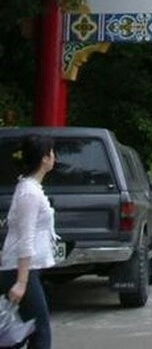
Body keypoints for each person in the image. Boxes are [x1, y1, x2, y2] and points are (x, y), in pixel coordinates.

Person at [0, 135, 58, 349]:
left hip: (22, 268)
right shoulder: (29, 192)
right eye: (51, 152)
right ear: (44, 158)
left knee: (23, 332)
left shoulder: (29, 188)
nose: (54, 157)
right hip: (20, 270)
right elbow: (26, 238)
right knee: (40, 333)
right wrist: (22, 282)